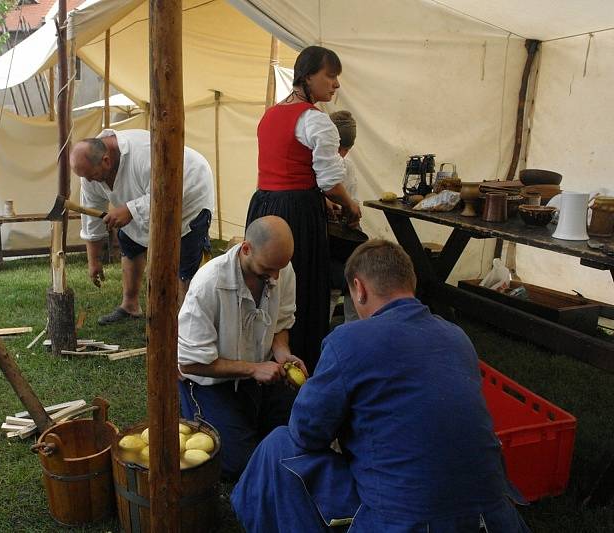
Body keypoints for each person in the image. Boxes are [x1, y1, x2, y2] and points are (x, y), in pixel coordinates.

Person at [231, 240, 531, 533]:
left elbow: (306, 433)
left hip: (407, 520)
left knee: (279, 443)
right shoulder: (457, 337)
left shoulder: (347, 340)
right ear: (409, 284)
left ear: (359, 288)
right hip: (493, 516)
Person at [246, 45, 361, 372]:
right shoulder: (317, 122)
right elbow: (328, 180)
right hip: (296, 213)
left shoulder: (270, 114)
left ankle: (261, 351)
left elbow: (287, 170)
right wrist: (349, 204)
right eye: (330, 76)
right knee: (301, 286)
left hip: (264, 205)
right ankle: (299, 357)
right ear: (307, 75)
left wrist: (321, 196)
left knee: (262, 281)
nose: (336, 85)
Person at [176, 216, 307, 479]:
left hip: (258, 375)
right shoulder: (208, 284)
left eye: (280, 268)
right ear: (246, 249)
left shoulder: (281, 268)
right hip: (208, 382)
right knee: (235, 464)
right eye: (268, 269)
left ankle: (249, 418)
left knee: (303, 432)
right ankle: (196, 410)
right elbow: (188, 363)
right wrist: (253, 369)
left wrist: (282, 352)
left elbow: (281, 322)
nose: (275, 277)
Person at [70, 129, 215, 325]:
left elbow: (167, 189)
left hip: (188, 192)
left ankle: (185, 320)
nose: (88, 181)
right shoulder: (90, 168)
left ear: (106, 160)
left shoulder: (144, 153)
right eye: (85, 176)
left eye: (91, 176)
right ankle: (130, 305)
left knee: (186, 260)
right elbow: (91, 216)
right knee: (129, 242)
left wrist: (130, 210)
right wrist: (93, 261)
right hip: (144, 198)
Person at [327, 110, 366, 323]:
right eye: (337, 148)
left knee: (360, 272)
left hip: (339, 235)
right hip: (319, 235)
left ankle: (355, 328)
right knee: (328, 278)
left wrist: (352, 212)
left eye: (346, 149)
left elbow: (353, 199)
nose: (341, 154)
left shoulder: (347, 166)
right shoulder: (311, 163)